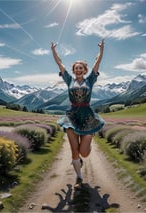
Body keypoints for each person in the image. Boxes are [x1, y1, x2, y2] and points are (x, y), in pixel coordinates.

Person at [51, 39, 105, 187]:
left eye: (81, 68)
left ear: (84, 70)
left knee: (84, 153)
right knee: (74, 151)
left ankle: (85, 149)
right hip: (71, 116)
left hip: (87, 116)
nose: (79, 70)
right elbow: (59, 63)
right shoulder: (68, 80)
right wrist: (53, 51)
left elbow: (97, 63)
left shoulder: (91, 80)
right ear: (74, 70)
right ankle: (79, 176)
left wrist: (101, 50)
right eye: (76, 68)